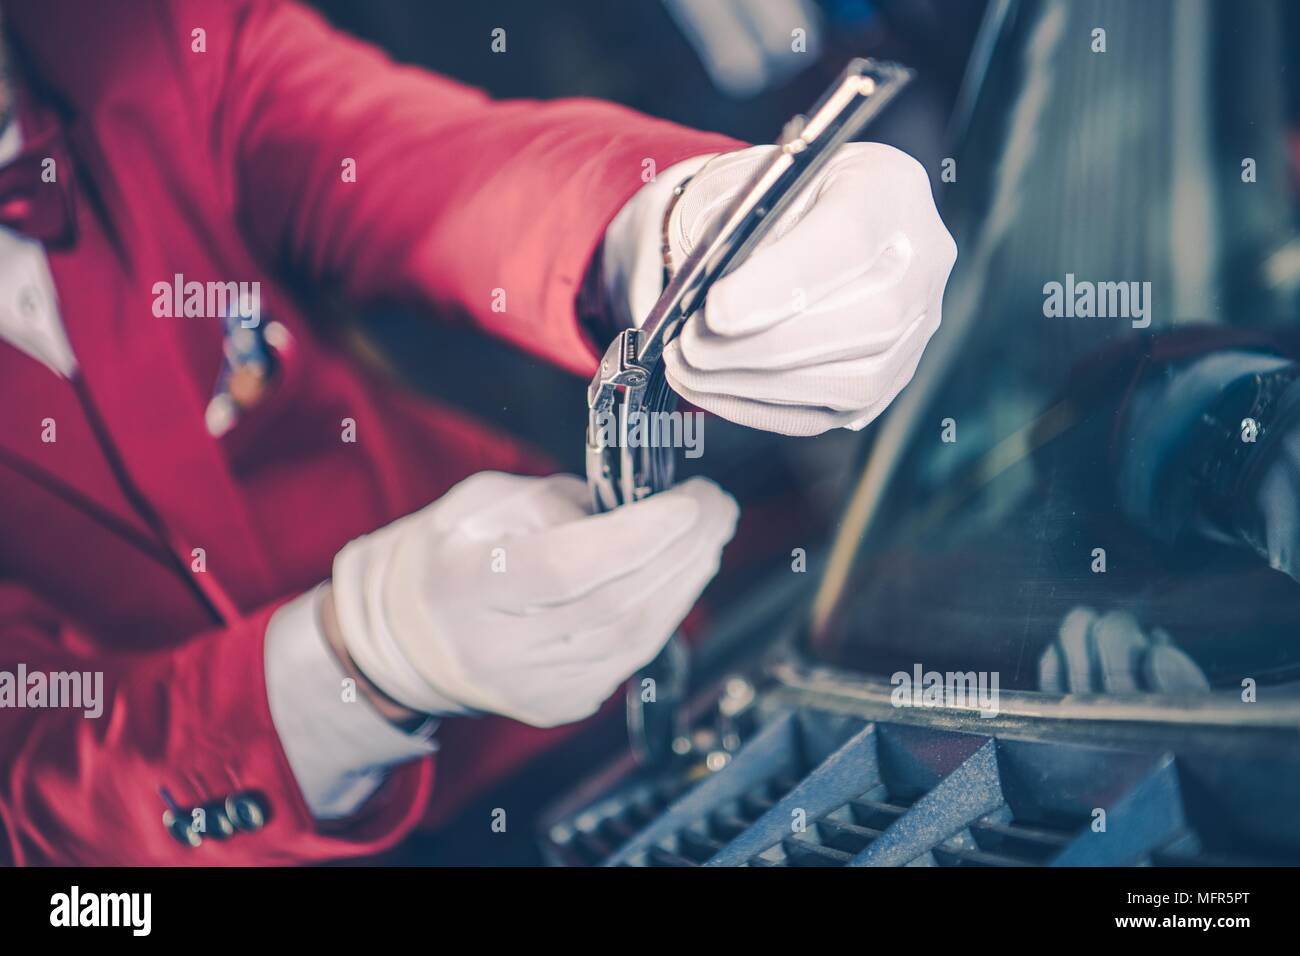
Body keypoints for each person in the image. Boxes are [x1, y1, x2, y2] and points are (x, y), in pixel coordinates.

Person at [0, 0, 956, 864]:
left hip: (610, 668)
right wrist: (361, 657)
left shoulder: (138, 34)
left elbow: (416, 157)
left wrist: (673, 229)